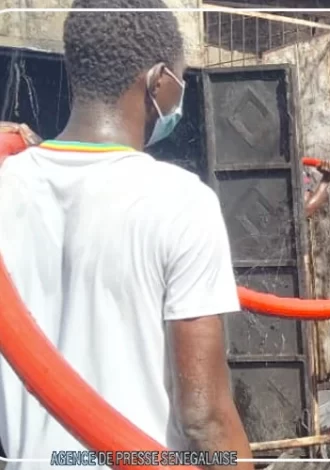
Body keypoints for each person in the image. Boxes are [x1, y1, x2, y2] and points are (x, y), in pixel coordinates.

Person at [0, 2, 253, 467]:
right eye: (180, 81)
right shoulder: (180, 201)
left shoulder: (7, 185)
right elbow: (204, 418)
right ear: (158, 80)